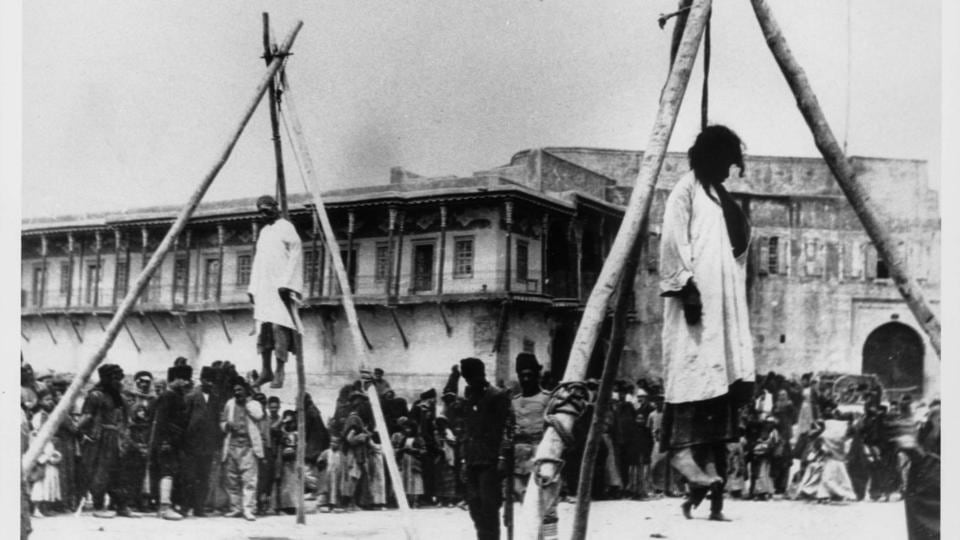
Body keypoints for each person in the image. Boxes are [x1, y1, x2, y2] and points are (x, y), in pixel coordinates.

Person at [658, 125, 756, 521]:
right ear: (709, 158)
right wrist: (687, 287)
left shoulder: (718, 195)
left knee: (717, 382)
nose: (729, 170)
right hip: (696, 302)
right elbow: (671, 240)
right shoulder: (686, 189)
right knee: (690, 371)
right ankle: (681, 456)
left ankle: (709, 480)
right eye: (724, 161)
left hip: (722, 305)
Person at [248, 194, 304, 389]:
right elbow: (258, 261)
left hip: (281, 286)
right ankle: (266, 370)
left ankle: (279, 370)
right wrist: (252, 287)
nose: (264, 214)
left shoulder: (286, 227)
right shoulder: (264, 232)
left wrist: (288, 283)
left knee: (279, 327)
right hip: (264, 286)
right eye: (260, 211)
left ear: (275, 207)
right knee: (264, 327)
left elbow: (296, 253)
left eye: (267, 209)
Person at [459, 357, 513, 540]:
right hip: (472, 459)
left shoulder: (497, 396)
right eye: (466, 379)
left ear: (481, 374)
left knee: (489, 506)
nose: (469, 382)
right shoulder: (470, 397)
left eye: (471, 377)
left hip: (490, 461)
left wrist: (501, 458)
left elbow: (505, 428)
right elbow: (466, 430)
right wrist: (464, 460)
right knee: (474, 506)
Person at [509, 353, 555, 538]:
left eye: (529, 374)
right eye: (522, 375)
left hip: (541, 454)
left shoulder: (547, 399)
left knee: (547, 504)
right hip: (520, 458)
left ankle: (549, 537)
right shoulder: (514, 401)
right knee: (524, 502)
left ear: (537, 375)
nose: (526, 379)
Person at [77, 363, 132, 518]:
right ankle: (98, 506)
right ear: (106, 378)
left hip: (114, 438)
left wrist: (123, 436)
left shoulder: (117, 396)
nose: (118, 381)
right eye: (115, 378)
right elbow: (86, 416)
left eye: (119, 378)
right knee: (100, 471)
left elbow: (125, 417)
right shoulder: (95, 395)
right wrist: (77, 430)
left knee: (118, 472)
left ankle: (121, 505)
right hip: (99, 438)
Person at [220, 376, 264, 521]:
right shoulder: (229, 404)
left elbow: (259, 415)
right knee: (231, 479)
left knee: (249, 480)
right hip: (232, 445)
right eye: (235, 390)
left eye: (240, 389)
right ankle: (235, 508)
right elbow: (222, 421)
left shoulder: (254, 404)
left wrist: (247, 403)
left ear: (245, 390)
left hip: (248, 447)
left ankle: (248, 509)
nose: (237, 392)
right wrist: (227, 426)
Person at [151, 364, 193, 520]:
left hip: (176, 440)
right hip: (167, 440)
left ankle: (172, 505)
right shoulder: (167, 396)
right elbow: (161, 421)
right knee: (167, 472)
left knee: (174, 472)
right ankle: (164, 507)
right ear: (174, 379)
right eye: (182, 379)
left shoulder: (177, 395)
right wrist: (165, 442)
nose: (185, 383)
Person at [181, 366, 220, 517]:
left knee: (203, 476)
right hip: (191, 444)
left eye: (212, 381)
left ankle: (199, 508)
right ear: (202, 379)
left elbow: (216, 422)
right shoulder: (191, 396)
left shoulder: (215, 399)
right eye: (207, 380)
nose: (210, 383)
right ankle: (184, 506)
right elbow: (184, 420)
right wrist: (184, 442)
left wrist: (216, 443)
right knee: (188, 476)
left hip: (207, 445)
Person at [124, 371, 156, 512]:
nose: (144, 384)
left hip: (147, 433)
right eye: (141, 381)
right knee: (132, 469)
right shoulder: (129, 397)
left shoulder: (153, 399)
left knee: (146, 471)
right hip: (133, 433)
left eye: (147, 382)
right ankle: (130, 500)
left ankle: (144, 500)